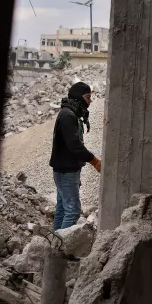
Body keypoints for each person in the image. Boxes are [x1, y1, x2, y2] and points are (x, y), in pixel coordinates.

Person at [49, 82, 101, 231]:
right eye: (87, 97)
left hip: (66, 169)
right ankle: (64, 247)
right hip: (66, 171)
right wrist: (94, 161)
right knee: (72, 211)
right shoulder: (68, 116)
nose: (90, 101)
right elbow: (74, 146)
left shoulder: (71, 114)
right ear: (78, 97)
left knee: (62, 209)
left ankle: (55, 247)